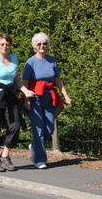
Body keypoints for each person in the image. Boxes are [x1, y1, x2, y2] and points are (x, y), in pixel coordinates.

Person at [22, 32, 72, 169]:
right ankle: (40, 160)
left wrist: (65, 95)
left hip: (49, 97)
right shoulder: (30, 62)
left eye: (44, 43)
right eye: (39, 44)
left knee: (49, 127)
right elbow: (24, 82)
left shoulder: (52, 61)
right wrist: (26, 99)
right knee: (38, 128)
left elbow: (57, 80)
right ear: (35, 46)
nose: (42, 46)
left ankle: (35, 145)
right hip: (34, 97)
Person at [0, 33, 30, 172]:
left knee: (15, 126)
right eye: (2, 44)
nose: (5, 46)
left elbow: (16, 80)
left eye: (7, 44)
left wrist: (25, 91)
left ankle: (5, 155)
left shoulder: (14, 58)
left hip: (10, 95)